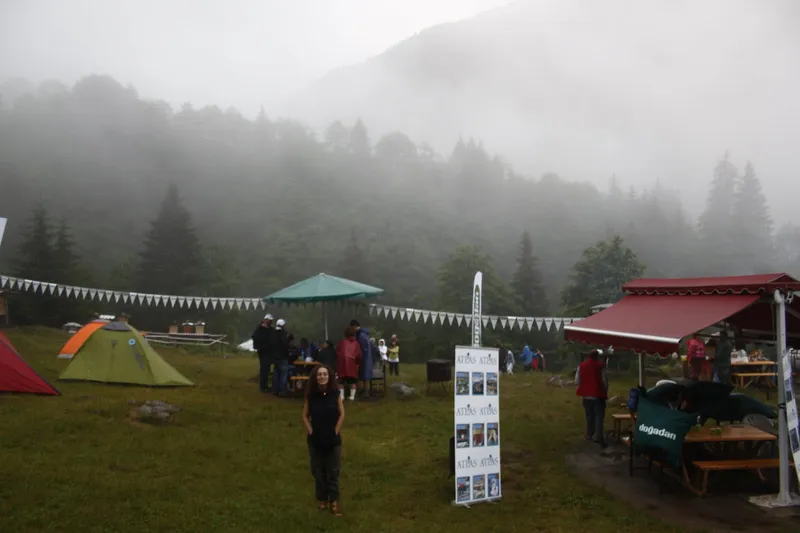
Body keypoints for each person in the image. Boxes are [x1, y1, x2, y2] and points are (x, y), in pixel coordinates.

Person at [302, 364, 345, 516]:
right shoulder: (310, 396)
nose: (322, 377)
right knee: (318, 472)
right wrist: (310, 430)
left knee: (333, 472)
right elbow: (305, 416)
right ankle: (322, 500)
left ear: (329, 376)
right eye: (319, 374)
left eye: (324, 374)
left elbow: (342, 414)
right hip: (316, 440)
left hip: (333, 439)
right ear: (315, 377)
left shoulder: (335, 393)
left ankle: (334, 502)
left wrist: (336, 430)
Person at [575, 350, 609, 448]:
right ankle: (598, 437)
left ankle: (589, 435)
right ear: (597, 356)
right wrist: (605, 390)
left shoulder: (581, 366)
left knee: (589, 416)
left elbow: (577, 381)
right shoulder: (600, 366)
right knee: (599, 416)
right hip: (598, 395)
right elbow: (604, 380)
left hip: (586, 396)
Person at [251, 314, 275, 393]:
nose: (270, 322)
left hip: (269, 352)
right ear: (265, 320)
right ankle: (262, 386)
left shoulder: (270, 329)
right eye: (269, 320)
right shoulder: (260, 329)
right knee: (264, 369)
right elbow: (255, 337)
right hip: (263, 351)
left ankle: (265, 385)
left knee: (267, 369)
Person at [337, 327, 362, 400]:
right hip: (352, 365)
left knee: (340, 382)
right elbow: (359, 355)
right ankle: (352, 396)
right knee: (352, 382)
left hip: (342, 365)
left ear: (345, 334)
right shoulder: (356, 343)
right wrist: (357, 364)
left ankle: (341, 396)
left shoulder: (342, 342)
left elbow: (338, 352)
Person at [351, 320, 372, 397]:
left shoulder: (361, 335)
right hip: (365, 357)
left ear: (355, 326)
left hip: (364, 357)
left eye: (352, 328)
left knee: (364, 374)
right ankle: (364, 390)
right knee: (364, 374)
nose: (352, 330)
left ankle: (365, 391)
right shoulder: (361, 334)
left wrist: (358, 356)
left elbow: (363, 348)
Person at [272, 318, 290, 396]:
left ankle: (275, 390)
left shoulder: (273, 333)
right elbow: (285, 345)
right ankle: (282, 391)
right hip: (282, 357)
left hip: (275, 357)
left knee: (276, 374)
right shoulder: (282, 334)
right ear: (282, 326)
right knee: (283, 374)